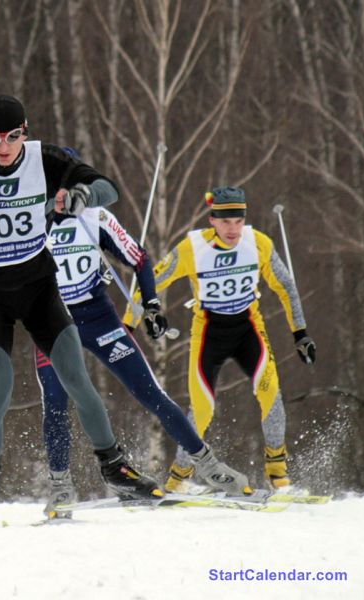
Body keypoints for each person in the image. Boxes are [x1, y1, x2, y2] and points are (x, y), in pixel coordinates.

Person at [0, 94, 221, 526]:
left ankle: (116, 469)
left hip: (40, 292)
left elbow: (109, 188)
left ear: (25, 132)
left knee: (77, 380)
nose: (4, 146)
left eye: (12, 136)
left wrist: (83, 194)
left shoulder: (44, 160)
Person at [34, 176, 250, 518]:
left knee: (150, 392)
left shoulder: (96, 216)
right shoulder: (32, 220)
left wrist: (151, 305)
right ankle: (61, 487)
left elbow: (139, 259)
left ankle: (207, 465)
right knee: (55, 404)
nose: (62, 198)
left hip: (99, 319)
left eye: (69, 190)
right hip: (52, 322)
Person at [125, 186, 316, 491]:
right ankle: (179, 479)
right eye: (226, 222)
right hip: (208, 332)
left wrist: (301, 333)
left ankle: (277, 471)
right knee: (201, 410)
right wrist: (129, 326)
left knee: (271, 393)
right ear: (212, 220)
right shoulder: (192, 248)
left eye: (239, 221)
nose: (233, 229)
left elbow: (286, 287)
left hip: (248, 328)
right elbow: (149, 283)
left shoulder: (258, 243)